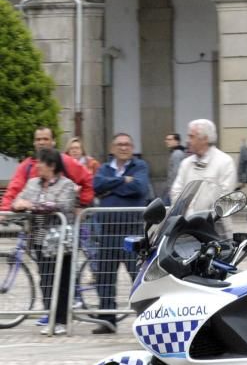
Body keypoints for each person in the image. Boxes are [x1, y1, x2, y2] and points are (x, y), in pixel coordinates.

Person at [11, 149, 77, 336]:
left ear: (52, 165)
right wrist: (21, 204)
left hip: (60, 241)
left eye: (40, 163)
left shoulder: (67, 185)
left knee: (61, 280)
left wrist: (31, 205)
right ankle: (51, 316)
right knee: (45, 280)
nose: (37, 166)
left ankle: (61, 320)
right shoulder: (33, 183)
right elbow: (17, 202)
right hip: (39, 240)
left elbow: (61, 206)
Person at [91, 133, 151, 334]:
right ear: (112, 148)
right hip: (107, 232)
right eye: (120, 144)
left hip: (131, 232)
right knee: (105, 277)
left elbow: (139, 188)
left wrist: (112, 187)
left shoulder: (140, 166)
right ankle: (107, 320)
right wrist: (123, 181)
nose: (124, 148)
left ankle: (145, 319)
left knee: (138, 277)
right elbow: (97, 186)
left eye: (127, 144)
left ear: (132, 147)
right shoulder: (103, 168)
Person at [2, 127, 94, 212]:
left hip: (61, 224)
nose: (41, 142)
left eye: (45, 139)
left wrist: (82, 205)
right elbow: (13, 191)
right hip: (33, 225)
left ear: (53, 141)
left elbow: (88, 180)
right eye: (38, 139)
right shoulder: (26, 166)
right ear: (34, 143)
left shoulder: (66, 161)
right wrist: (4, 212)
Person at [170, 119, 238, 215]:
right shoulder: (185, 163)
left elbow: (227, 198)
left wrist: (206, 216)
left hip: (215, 227)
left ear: (205, 139)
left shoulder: (225, 162)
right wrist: (188, 213)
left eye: (191, 136)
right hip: (186, 226)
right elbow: (175, 192)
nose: (187, 141)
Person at [163, 133, 186, 204]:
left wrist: (172, 189)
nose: (166, 141)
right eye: (166, 139)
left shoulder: (177, 154)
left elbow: (176, 173)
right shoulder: (177, 153)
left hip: (173, 190)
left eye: (169, 139)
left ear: (177, 141)